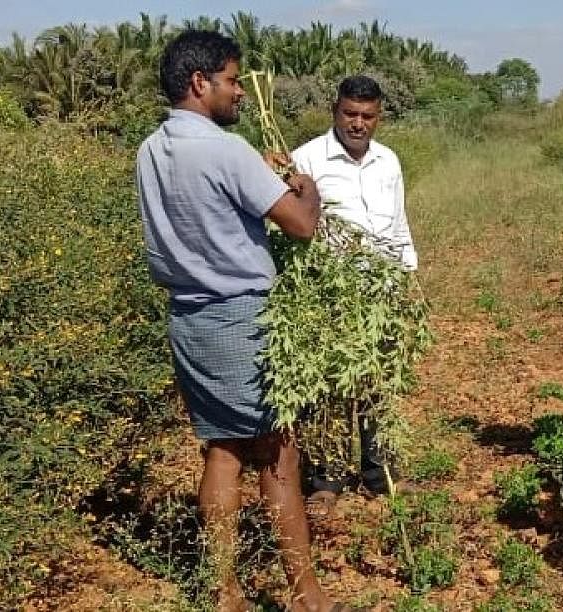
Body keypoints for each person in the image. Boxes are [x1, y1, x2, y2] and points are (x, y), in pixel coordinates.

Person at [136, 30, 360, 612]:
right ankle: (305, 594)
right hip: (242, 318)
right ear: (199, 82)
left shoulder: (151, 149)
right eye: (232, 80)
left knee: (220, 449)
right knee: (278, 451)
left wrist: (252, 172)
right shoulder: (224, 150)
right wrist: (305, 188)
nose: (238, 91)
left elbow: (205, 203)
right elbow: (301, 225)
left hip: (188, 320)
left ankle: (223, 593)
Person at [290, 75, 417, 514]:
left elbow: (398, 223)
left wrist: (407, 278)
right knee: (324, 389)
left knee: (376, 384)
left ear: (379, 116)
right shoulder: (305, 159)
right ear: (335, 111)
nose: (358, 124)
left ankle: (379, 472)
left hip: (380, 289)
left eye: (368, 116)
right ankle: (324, 480)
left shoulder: (389, 162)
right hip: (328, 293)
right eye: (350, 114)